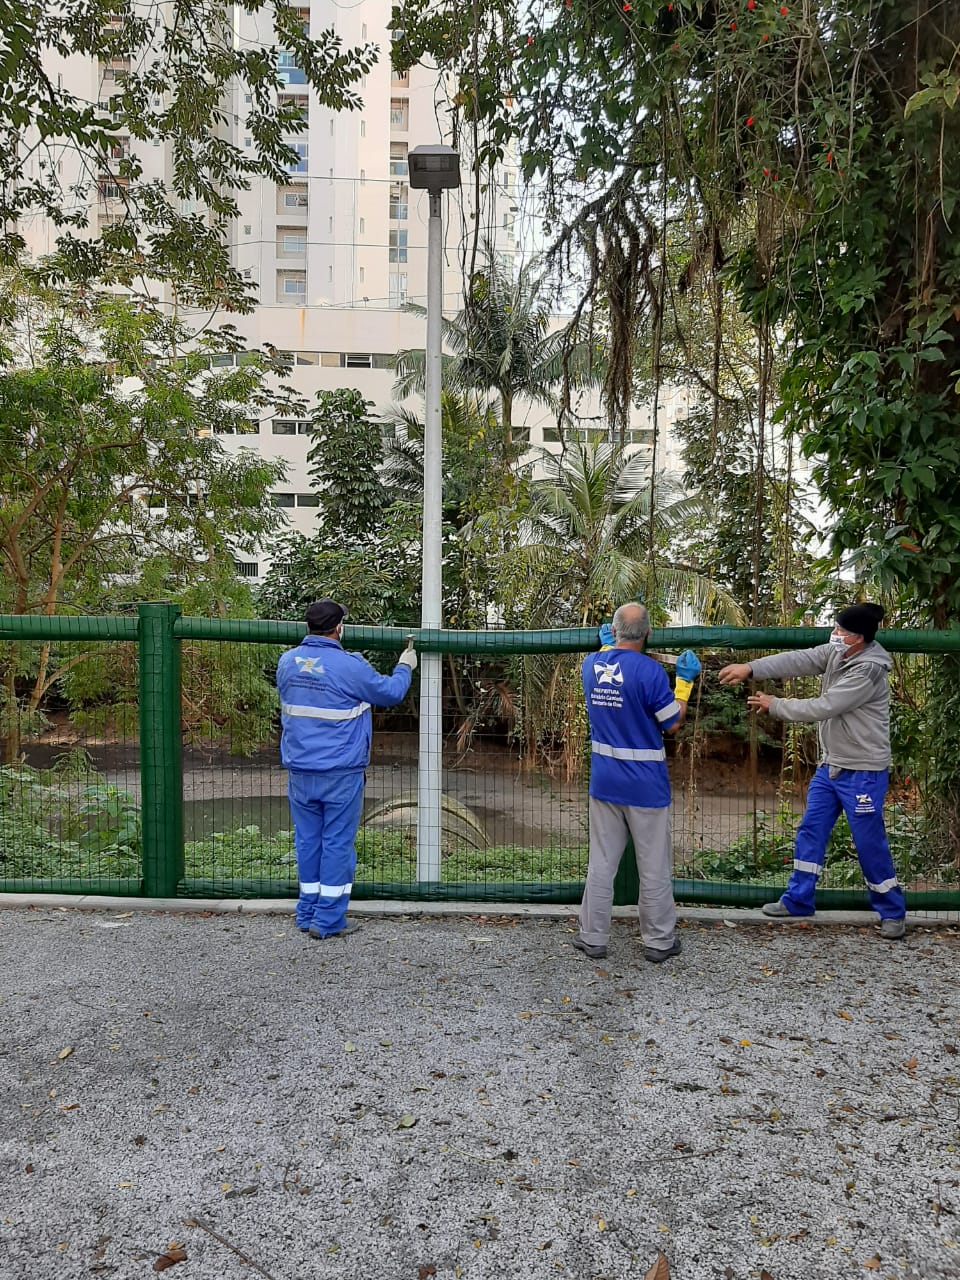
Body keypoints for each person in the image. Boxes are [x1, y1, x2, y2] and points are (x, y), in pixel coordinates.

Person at [717, 602, 907, 939]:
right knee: (811, 830)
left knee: (868, 842)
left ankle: (892, 911)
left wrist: (774, 705)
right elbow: (800, 659)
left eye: (841, 631)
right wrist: (751, 667)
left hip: (863, 771)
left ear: (859, 638)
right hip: (830, 767)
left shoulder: (869, 670)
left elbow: (825, 706)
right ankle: (798, 899)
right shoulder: (838, 653)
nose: (834, 635)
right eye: (835, 628)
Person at [276, 599, 417, 939]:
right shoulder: (348, 666)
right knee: (338, 844)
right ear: (339, 628)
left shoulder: (287, 662)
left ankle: (306, 911)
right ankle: (328, 920)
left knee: (308, 842)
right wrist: (406, 665)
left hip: (299, 770)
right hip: (340, 772)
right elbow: (391, 692)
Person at [573, 603, 701, 963]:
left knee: (601, 861)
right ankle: (659, 941)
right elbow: (671, 723)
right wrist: (685, 682)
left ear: (613, 632)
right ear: (648, 634)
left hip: (605, 780)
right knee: (653, 864)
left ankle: (592, 937)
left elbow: (608, 665)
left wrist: (605, 648)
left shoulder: (590, 665)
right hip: (645, 785)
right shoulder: (651, 673)